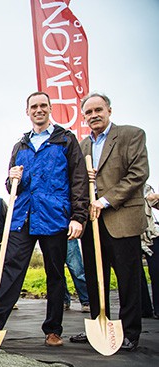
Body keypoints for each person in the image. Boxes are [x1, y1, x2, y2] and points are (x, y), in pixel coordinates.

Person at [0, 92, 88, 347]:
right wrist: (12, 178)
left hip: (54, 215)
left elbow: (78, 180)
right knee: (10, 268)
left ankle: (53, 330)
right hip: (22, 215)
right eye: (34, 106)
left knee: (55, 273)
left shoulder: (65, 140)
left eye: (43, 105)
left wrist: (78, 216)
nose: (39, 110)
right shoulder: (20, 145)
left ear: (50, 108)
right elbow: (12, 186)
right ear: (28, 111)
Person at [70, 93, 149, 351]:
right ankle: (97, 322)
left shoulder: (131, 135)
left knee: (128, 278)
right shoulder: (81, 147)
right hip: (93, 225)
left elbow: (138, 174)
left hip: (121, 218)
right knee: (94, 277)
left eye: (98, 110)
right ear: (83, 117)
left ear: (109, 110)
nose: (94, 115)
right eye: (88, 112)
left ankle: (130, 331)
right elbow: (76, 182)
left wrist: (104, 201)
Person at [142, 184, 159, 319]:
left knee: (156, 271)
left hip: (150, 234)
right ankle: (144, 309)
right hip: (132, 233)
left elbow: (153, 200)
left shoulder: (146, 188)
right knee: (135, 274)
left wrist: (153, 198)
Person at [63, 239, 90, 312]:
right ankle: (64, 300)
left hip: (68, 235)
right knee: (56, 273)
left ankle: (86, 301)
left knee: (77, 271)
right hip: (51, 235)